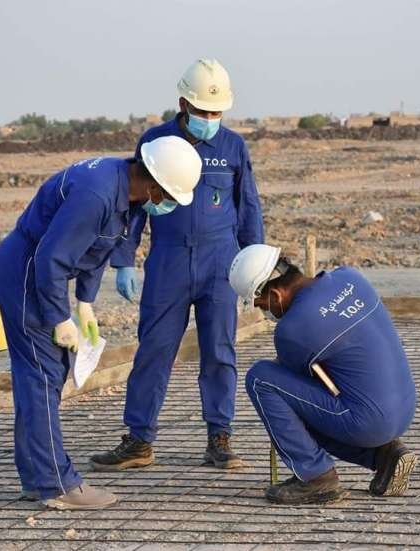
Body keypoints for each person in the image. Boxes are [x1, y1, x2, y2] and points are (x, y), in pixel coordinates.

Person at [0, 136, 202, 510]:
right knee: (41, 375)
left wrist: (85, 302)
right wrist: (59, 317)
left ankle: (38, 477)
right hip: (26, 273)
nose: (167, 205)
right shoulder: (97, 194)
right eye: (169, 196)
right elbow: (51, 259)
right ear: (155, 185)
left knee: (43, 374)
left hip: (39, 271)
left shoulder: (126, 192)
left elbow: (97, 247)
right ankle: (56, 484)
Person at [91, 59, 264, 472]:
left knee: (219, 351)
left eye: (217, 112)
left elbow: (248, 207)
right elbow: (134, 205)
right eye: (203, 110)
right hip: (168, 260)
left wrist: (254, 267)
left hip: (221, 262)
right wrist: (124, 260)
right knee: (153, 349)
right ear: (183, 103)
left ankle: (219, 438)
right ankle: (139, 440)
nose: (211, 119)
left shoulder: (233, 148)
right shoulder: (155, 142)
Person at [228, 244, 418, 505]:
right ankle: (385, 456)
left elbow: (297, 396)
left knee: (262, 380)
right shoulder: (350, 277)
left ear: (275, 295)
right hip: (405, 407)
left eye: (262, 305)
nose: (265, 312)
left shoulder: (292, 329)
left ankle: (316, 478)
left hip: (370, 423)